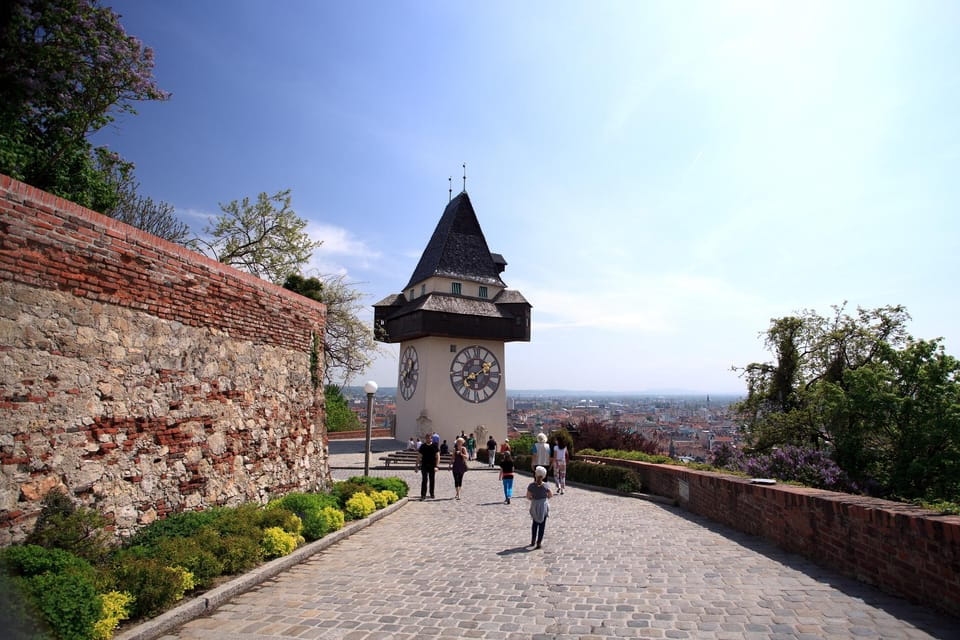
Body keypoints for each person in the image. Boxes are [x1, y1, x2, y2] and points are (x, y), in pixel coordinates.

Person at [526, 466, 553, 548]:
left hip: (534, 505)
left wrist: (532, 499)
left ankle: (533, 540)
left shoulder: (531, 485)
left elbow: (528, 496)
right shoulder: (546, 486)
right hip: (543, 506)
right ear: (544, 475)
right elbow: (550, 495)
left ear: (535, 475)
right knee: (542, 525)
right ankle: (539, 542)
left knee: (534, 523)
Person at [416, 435, 440, 500]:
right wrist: (416, 466)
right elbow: (419, 456)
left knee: (432, 480)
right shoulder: (423, 446)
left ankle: (432, 493)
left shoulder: (435, 446)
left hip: (432, 465)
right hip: (424, 465)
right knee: (424, 480)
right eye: (426, 438)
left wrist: (437, 466)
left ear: (431, 439)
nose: (428, 439)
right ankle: (423, 495)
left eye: (429, 438)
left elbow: (438, 456)